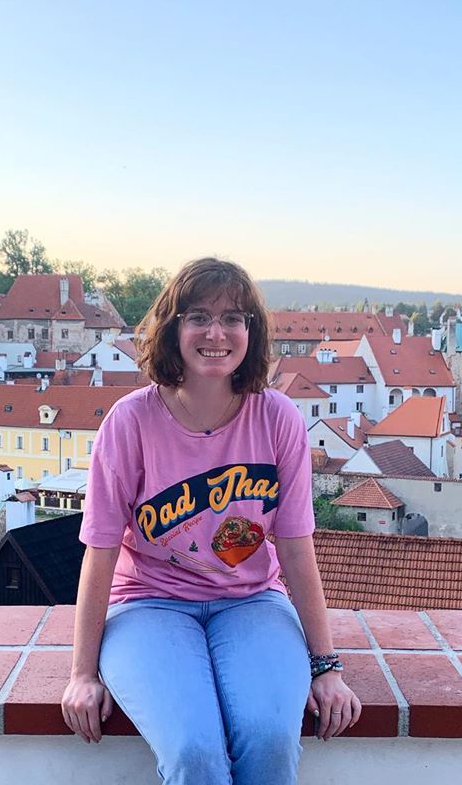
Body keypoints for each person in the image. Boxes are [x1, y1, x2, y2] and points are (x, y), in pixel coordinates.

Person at [61, 257, 361, 784]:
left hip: (251, 601)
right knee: (193, 751)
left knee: (270, 739)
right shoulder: (130, 421)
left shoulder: (277, 418)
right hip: (148, 605)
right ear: (173, 328)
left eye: (234, 318)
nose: (216, 333)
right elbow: (101, 551)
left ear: (252, 331)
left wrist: (326, 665)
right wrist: (82, 674)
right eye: (198, 316)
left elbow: (295, 547)